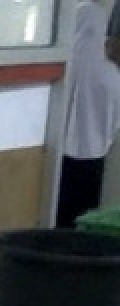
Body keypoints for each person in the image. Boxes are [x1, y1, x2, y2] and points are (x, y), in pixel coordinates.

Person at [59, 1, 120, 227]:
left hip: (65, 149)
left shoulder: (82, 16)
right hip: (92, 151)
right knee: (81, 216)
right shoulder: (109, 76)